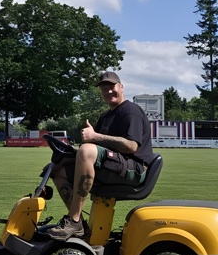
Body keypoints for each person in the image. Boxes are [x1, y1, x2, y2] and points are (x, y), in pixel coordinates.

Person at [45, 71, 156, 240]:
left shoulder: (130, 111)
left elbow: (132, 146)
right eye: (104, 88)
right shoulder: (105, 117)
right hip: (114, 165)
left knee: (86, 150)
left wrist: (94, 137)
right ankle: (79, 224)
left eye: (112, 87)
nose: (109, 91)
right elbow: (96, 147)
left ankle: (73, 220)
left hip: (135, 169)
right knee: (57, 167)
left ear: (121, 87)